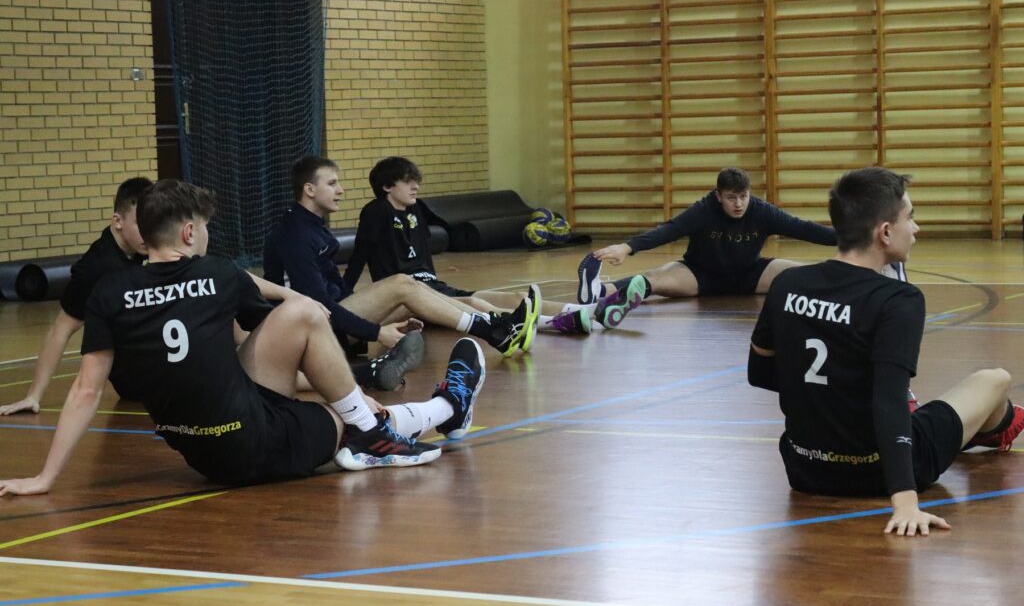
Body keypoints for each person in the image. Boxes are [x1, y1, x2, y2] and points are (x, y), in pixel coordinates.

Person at [0, 180, 488, 496]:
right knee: (333, 382)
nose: (207, 236)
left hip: (199, 452)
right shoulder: (217, 274)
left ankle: (379, 419)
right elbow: (287, 318)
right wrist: (355, 398)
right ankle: (442, 408)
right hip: (251, 445)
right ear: (188, 233)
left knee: (304, 331)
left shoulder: (109, 291)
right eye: (205, 228)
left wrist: (45, 477)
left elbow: (86, 391)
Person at [747, 166, 1024, 536]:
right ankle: (994, 426)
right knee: (995, 380)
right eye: (910, 217)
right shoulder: (898, 299)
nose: (916, 228)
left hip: (805, 470)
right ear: (885, 232)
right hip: (878, 471)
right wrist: (906, 503)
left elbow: (759, 373)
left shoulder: (786, 284)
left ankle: (970, 429)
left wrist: (826, 399)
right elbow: (890, 403)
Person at [263, 156, 537, 355]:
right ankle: (494, 331)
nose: (341, 190)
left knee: (413, 291)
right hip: (311, 330)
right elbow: (318, 303)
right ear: (309, 190)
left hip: (329, 318)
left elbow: (335, 290)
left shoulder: (313, 227)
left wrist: (375, 315)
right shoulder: (295, 234)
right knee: (402, 283)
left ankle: (498, 324)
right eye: (332, 183)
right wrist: (376, 332)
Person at [342, 156, 602, 335]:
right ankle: (552, 323)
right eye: (408, 182)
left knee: (517, 297)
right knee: (475, 303)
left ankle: (588, 311)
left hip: (432, 286)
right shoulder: (376, 211)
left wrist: (435, 280)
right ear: (387, 186)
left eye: (416, 181)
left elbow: (422, 254)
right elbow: (360, 253)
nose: (416, 186)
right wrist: (345, 297)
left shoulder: (415, 210)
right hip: (410, 296)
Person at [574, 167, 838, 328]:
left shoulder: (761, 211)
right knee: (652, 280)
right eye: (731, 198)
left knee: (803, 275)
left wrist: (848, 238)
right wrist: (627, 247)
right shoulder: (703, 210)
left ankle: (844, 287)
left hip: (751, 274)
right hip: (699, 274)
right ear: (718, 195)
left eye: (743, 197)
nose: (739, 204)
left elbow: (803, 228)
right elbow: (669, 230)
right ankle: (598, 291)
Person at [1, 177, 151, 415]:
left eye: (152, 222)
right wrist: (33, 395)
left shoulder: (140, 245)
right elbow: (60, 329)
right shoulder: (95, 269)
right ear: (118, 221)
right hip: (133, 375)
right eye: (140, 223)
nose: (149, 231)